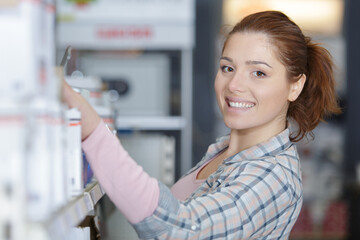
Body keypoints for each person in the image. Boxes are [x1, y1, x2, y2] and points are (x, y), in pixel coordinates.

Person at [62, 10, 341, 239]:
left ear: (295, 86)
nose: (234, 85)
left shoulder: (274, 177)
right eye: (227, 68)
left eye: (258, 73)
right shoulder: (223, 151)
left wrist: (93, 131)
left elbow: (177, 229)